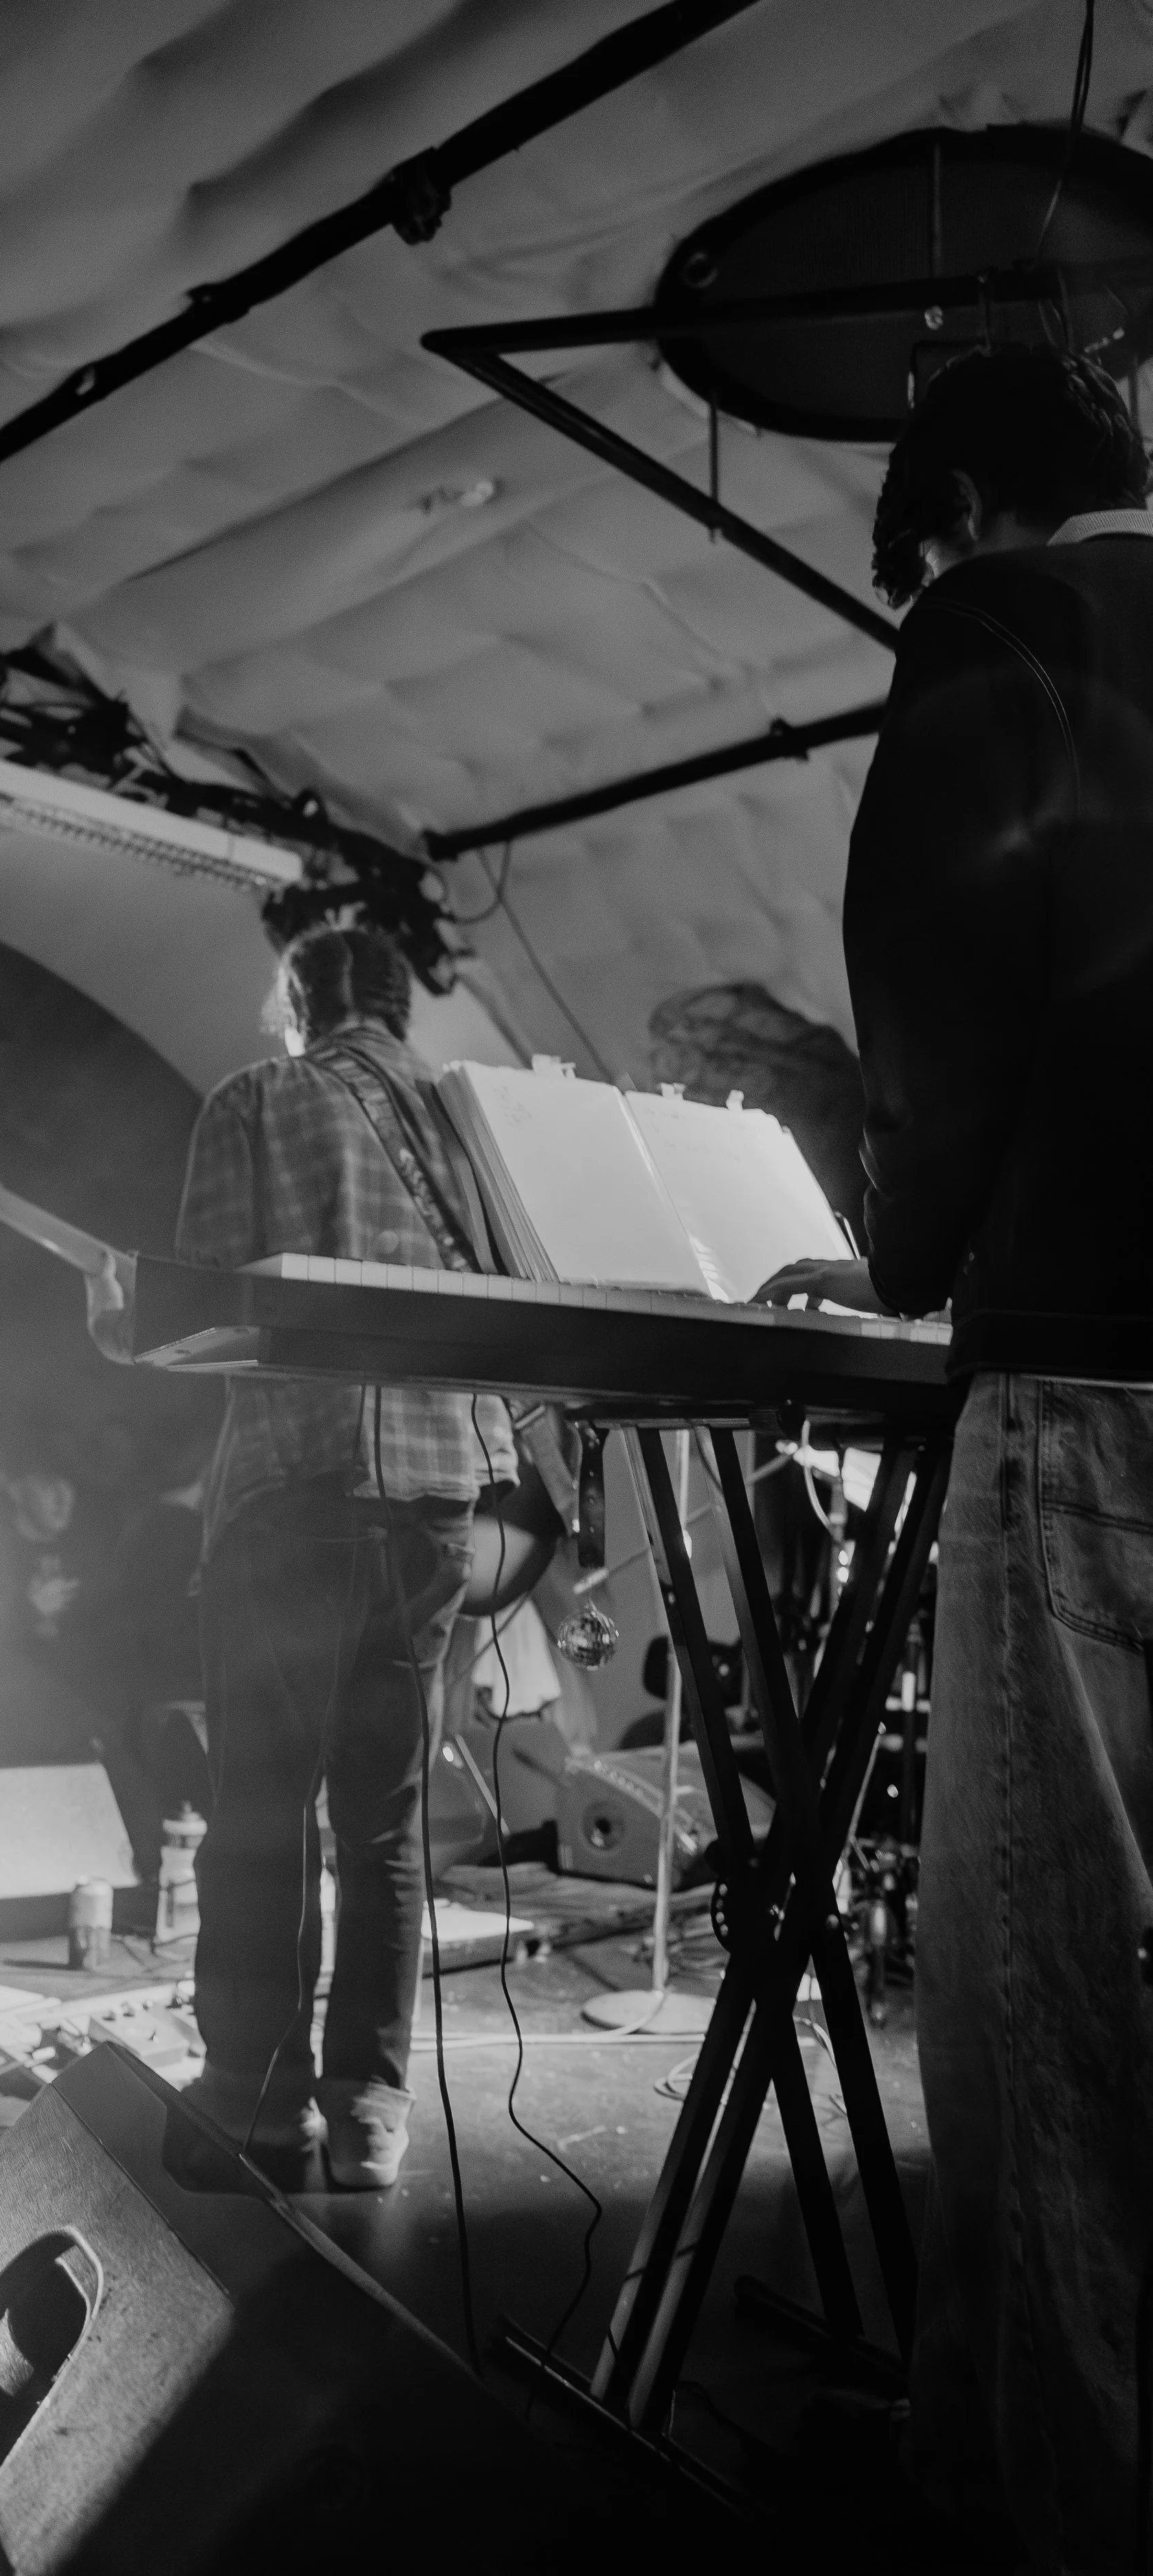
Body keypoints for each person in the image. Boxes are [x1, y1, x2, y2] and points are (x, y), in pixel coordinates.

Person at [760, 344, 1153, 2571]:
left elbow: (951, 968)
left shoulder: (1005, 633)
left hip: (1101, 1388)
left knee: (1052, 2025)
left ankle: (1043, 2512)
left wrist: (894, 1220)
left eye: (923, 559)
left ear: (974, 508)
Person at [90, 923, 517, 2187]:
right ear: (401, 1010)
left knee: (261, 1813)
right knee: (382, 1827)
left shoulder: (260, 1100)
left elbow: (215, 1306)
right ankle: (374, 2116)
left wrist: (122, 1322)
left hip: (291, 1491)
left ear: (298, 1007)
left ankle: (258, 2103)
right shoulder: (468, 1127)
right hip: (438, 1507)